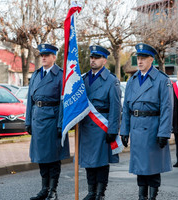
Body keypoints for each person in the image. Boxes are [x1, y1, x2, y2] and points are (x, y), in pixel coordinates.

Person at [120, 43, 173, 200]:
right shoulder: (132, 80)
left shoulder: (162, 80)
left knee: (153, 165)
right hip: (136, 127)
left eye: (143, 58)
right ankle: (142, 196)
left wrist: (164, 132)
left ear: (151, 60)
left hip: (152, 127)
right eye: (138, 58)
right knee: (139, 166)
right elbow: (126, 107)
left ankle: (152, 197)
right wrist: (124, 131)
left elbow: (167, 108)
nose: (140, 61)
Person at [25, 44, 70, 200]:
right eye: (41, 55)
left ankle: (53, 190)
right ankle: (44, 189)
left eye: (47, 55)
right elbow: (30, 100)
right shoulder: (36, 75)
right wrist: (28, 121)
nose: (43, 58)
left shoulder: (61, 76)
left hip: (52, 120)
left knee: (53, 157)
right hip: (37, 119)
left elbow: (64, 102)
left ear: (54, 57)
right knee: (41, 157)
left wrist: (61, 123)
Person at [79, 45, 121, 200]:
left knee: (102, 162)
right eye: (91, 57)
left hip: (102, 126)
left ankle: (100, 193)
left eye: (96, 58)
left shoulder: (111, 81)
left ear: (104, 60)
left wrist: (112, 129)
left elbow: (116, 107)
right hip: (86, 125)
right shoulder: (83, 79)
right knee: (89, 161)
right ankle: (91, 192)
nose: (93, 60)